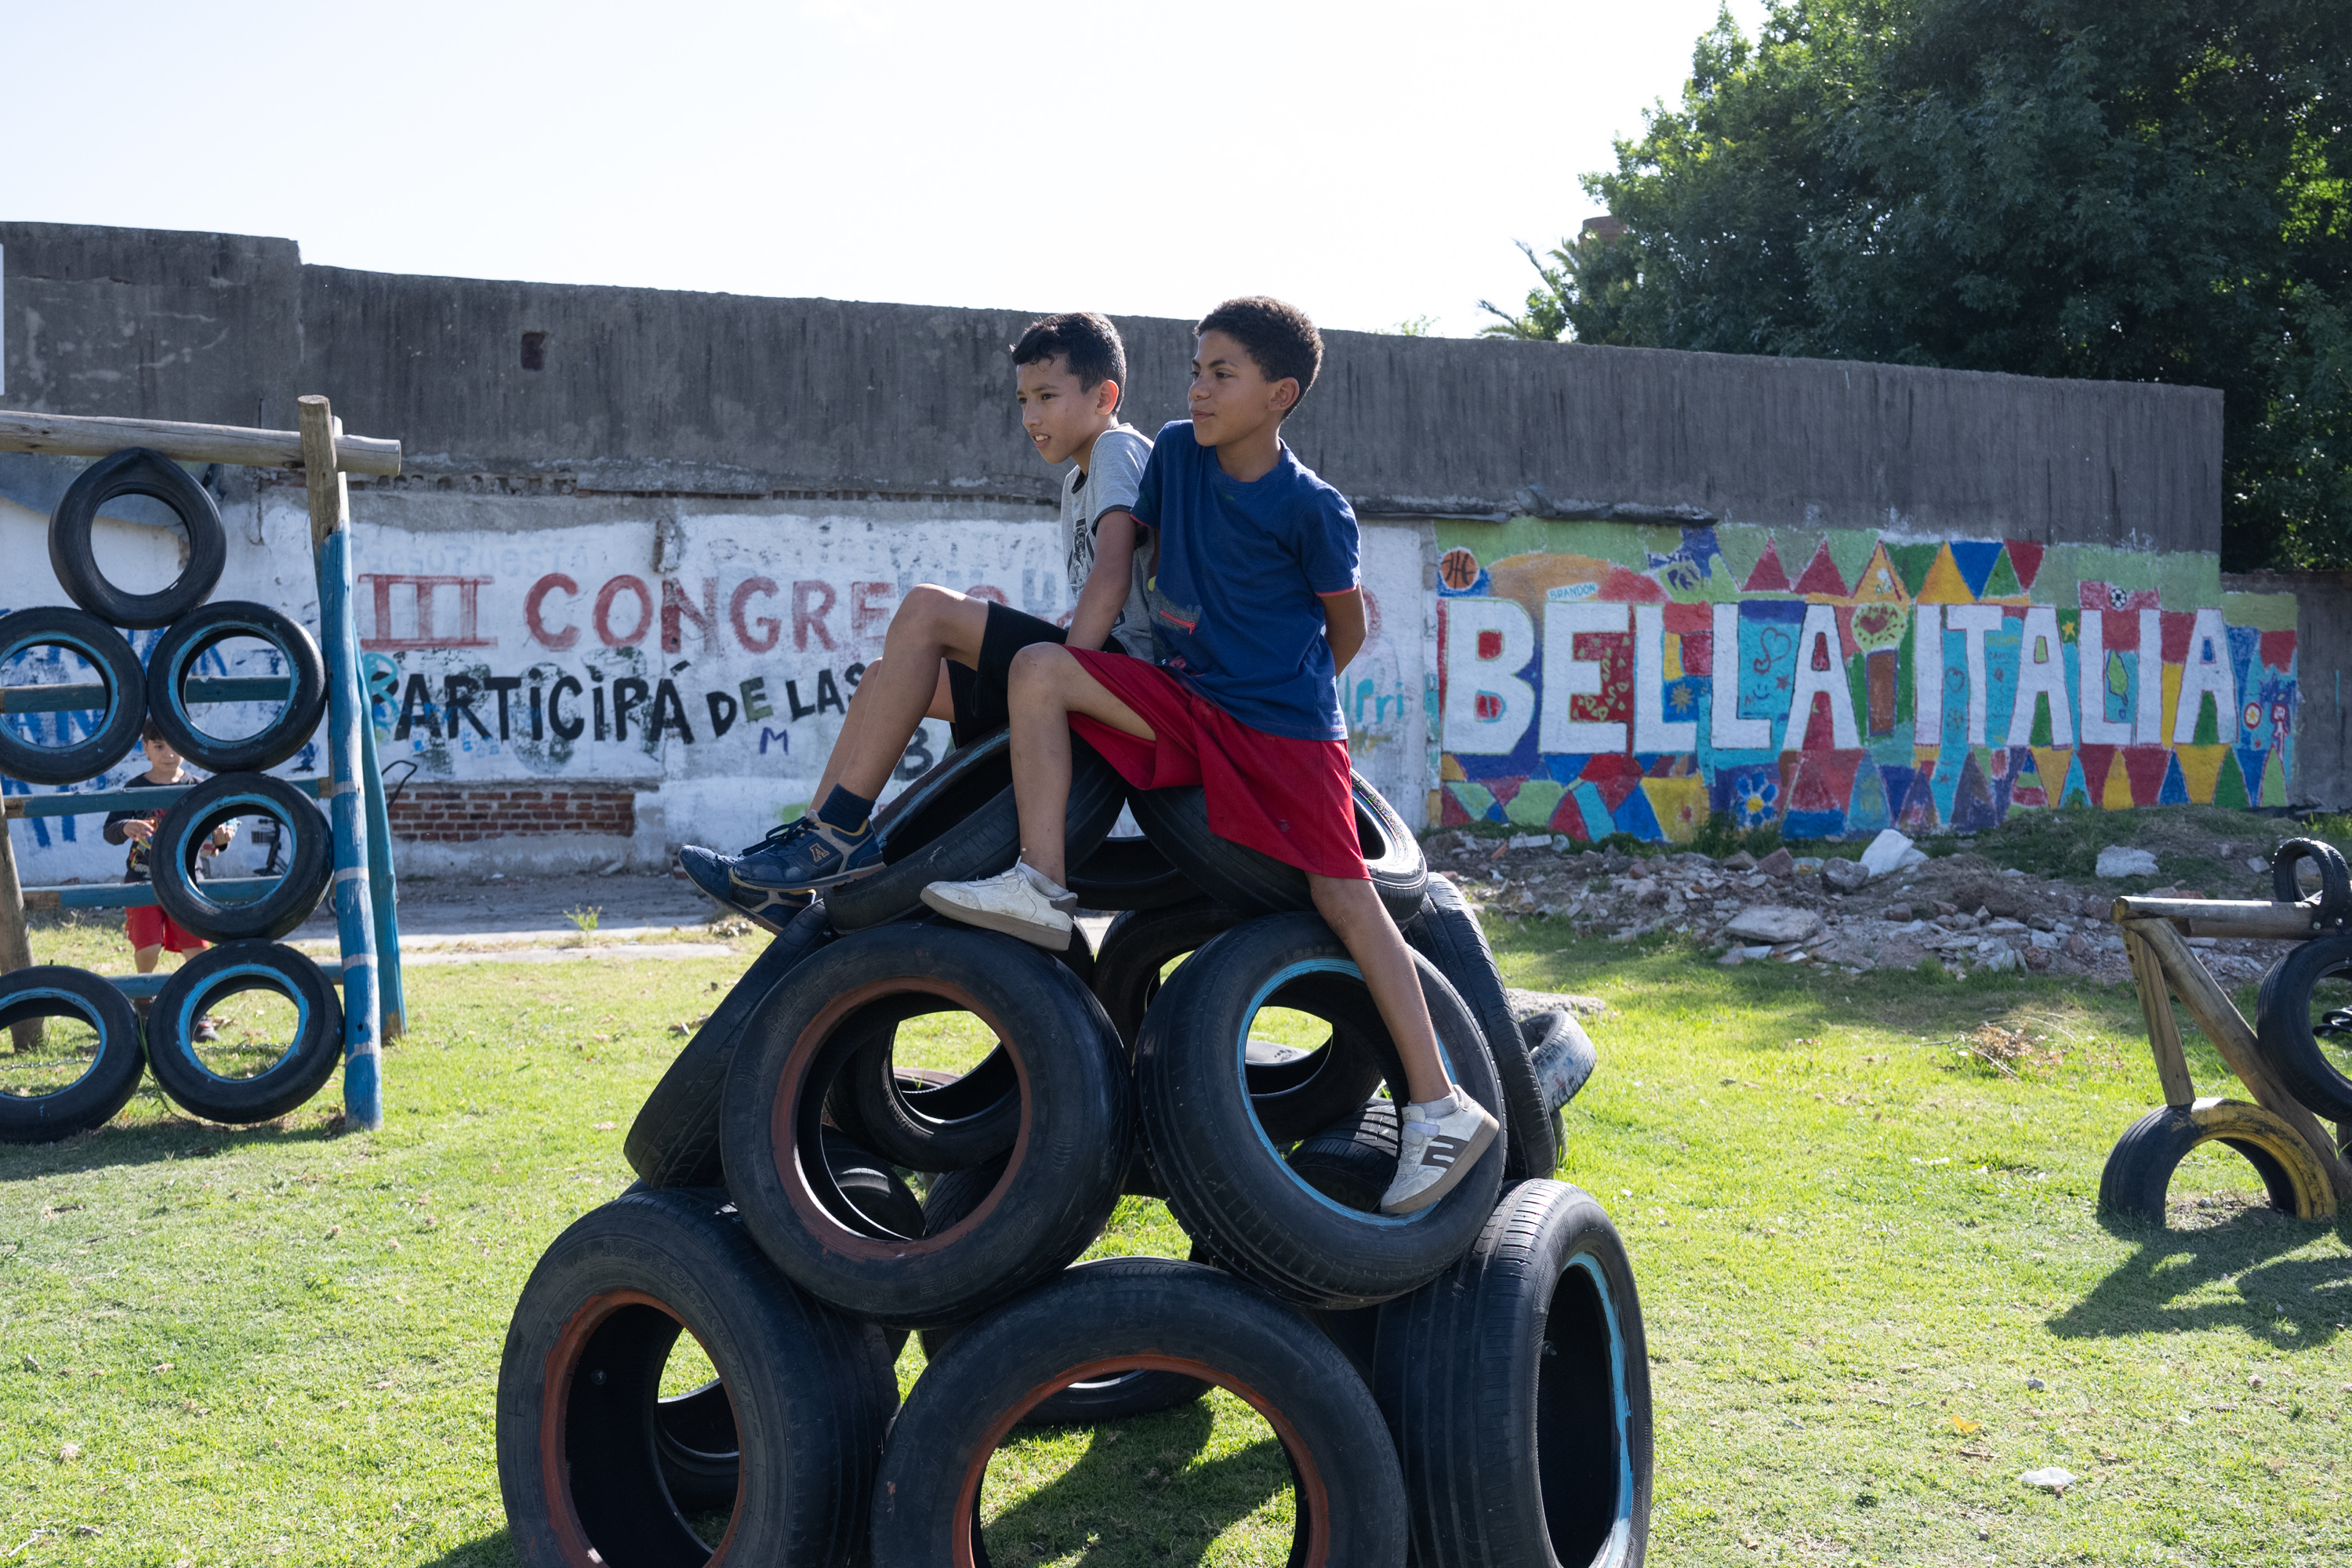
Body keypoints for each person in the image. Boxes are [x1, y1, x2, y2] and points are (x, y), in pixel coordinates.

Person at [920, 297, 1498, 1214]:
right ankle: (1042, 884)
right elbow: (1117, 568)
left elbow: (1344, 627)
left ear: (1280, 394)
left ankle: (1441, 1103)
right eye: (1194, 368)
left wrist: (1286, 691)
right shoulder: (1174, 460)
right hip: (1189, 704)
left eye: (1221, 373)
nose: (1197, 386)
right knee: (1040, 670)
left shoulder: (1314, 508)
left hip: (1288, 733)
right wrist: (1098, 656)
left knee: (1346, 900)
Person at [678, 311, 1156, 931]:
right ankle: (807, 859)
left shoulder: (1120, 448)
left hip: (1124, 675)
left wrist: (1064, 673)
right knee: (883, 680)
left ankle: (842, 830)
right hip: (1088, 665)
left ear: (1104, 396)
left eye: (1046, 397)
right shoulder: (1075, 483)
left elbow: (1113, 575)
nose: (1029, 417)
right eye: (1021, 400)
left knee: (928, 609)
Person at [103, 721, 235, 1034]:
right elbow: (110, 830)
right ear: (145, 747)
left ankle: (199, 1012)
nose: (168, 753)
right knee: (147, 947)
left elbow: (216, 837)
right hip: (141, 879)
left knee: (196, 950)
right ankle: (145, 1002)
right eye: (159, 746)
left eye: (175, 745)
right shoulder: (134, 788)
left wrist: (221, 839)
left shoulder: (199, 788)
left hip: (186, 882)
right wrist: (126, 827)